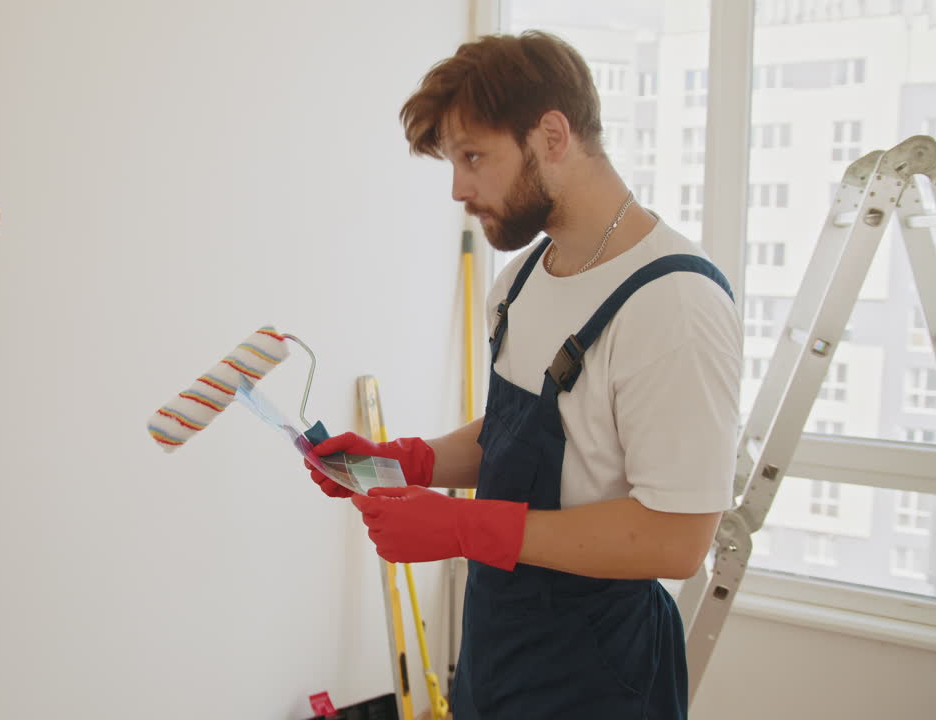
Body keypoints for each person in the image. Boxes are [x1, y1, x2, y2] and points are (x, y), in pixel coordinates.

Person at [305, 31, 741, 719]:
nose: (457, 189)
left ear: (552, 135)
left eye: (474, 157)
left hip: (597, 674)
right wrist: (409, 462)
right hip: (497, 651)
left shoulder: (673, 305)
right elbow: (516, 435)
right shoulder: (520, 282)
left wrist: (459, 526)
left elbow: (675, 539)